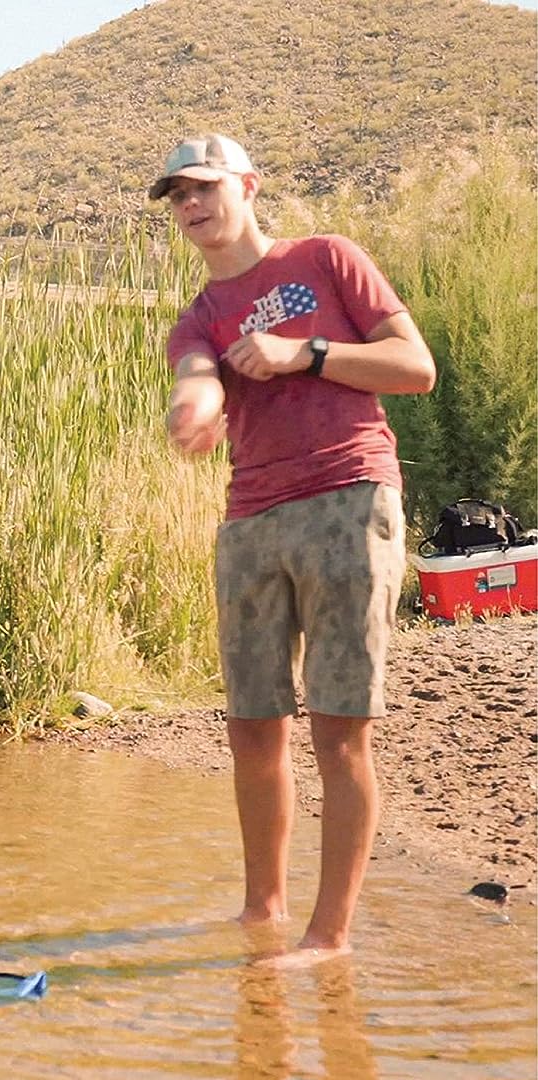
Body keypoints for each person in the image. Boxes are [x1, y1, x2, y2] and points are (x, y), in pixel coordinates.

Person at [155, 134, 436, 965]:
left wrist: (304, 352)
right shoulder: (198, 317)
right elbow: (198, 375)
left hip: (348, 498)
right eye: (176, 196)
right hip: (249, 519)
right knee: (251, 726)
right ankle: (261, 914)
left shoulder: (327, 258)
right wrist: (193, 411)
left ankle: (330, 935)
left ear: (247, 185)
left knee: (338, 730)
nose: (190, 205)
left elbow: (414, 367)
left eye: (202, 187)